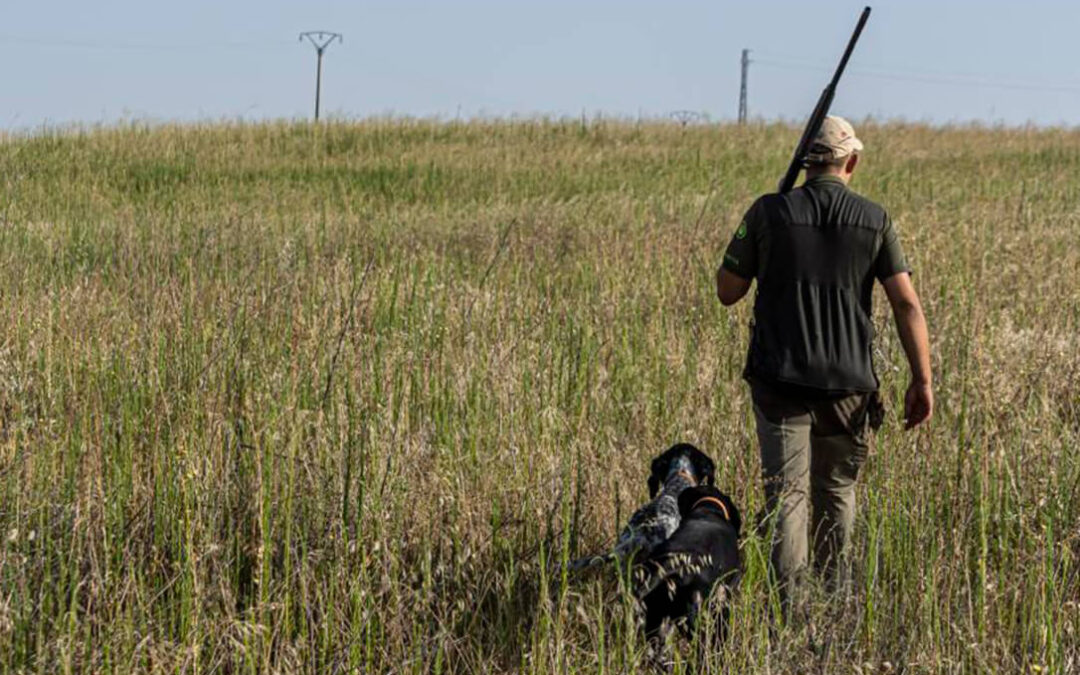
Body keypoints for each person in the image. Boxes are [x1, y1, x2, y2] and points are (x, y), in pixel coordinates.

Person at [716, 116, 932, 614]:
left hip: (780, 384)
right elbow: (907, 305)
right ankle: (836, 611)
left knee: (787, 499)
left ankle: (791, 618)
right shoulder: (875, 220)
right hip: (849, 388)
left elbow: (728, 291)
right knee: (837, 494)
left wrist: (760, 230)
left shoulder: (769, 212)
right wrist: (922, 379)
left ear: (804, 162)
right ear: (850, 162)